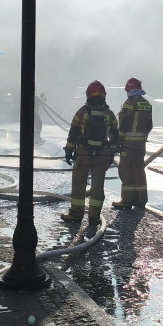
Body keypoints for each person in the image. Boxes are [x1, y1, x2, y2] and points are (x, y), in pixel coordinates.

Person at [62, 80, 119, 224]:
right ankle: (94, 216)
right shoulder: (109, 114)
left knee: (79, 184)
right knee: (98, 187)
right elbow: (114, 136)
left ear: (88, 95)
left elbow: (73, 133)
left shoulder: (82, 112)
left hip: (83, 154)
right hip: (102, 155)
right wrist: (111, 153)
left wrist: (69, 150)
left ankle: (76, 214)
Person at [112, 77, 153, 209]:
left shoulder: (129, 103)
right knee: (139, 170)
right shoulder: (147, 104)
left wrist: (118, 139)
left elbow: (125, 122)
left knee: (126, 171)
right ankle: (141, 199)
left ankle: (127, 200)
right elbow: (150, 125)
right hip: (141, 144)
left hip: (128, 144)